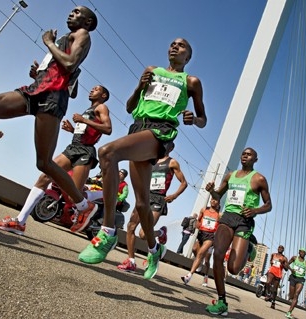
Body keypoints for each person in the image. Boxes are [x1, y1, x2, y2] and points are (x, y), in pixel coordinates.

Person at [0, 6, 100, 226]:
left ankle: (84, 206)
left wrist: (48, 43)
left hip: (51, 98)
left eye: (77, 12)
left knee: (44, 163)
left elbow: (69, 63)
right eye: (71, 11)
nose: (70, 14)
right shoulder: (66, 37)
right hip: (36, 89)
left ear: (88, 22)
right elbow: (58, 67)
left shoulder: (82, 35)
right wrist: (40, 72)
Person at [77, 38, 207, 281]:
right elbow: (129, 107)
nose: (174, 47)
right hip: (138, 129)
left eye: (181, 46)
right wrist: (139, 86)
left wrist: (193, 119)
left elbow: (203, 119)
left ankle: (106, 232)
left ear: (188, 57)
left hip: (160, 132)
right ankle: (155, 249)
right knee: (141, 204)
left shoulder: (190, 82)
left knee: (107, 152)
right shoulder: (151, 71)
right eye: (172, 44)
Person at [0, 85, 112, 235]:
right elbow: (88, 133)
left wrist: (83, 120)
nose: (92, 90)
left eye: (96, 89)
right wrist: (72, 130)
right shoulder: (88, 110)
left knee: (71, 195)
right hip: (73, 147)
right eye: (92, 88)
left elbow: (107, 129)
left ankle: (104, 194)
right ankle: (20, 222)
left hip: (85, 151)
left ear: (104, 96)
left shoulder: (102, 108)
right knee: (44, 175)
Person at [203, 147, 272, 316]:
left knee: (233, 269)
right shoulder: (230, 175)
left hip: (244, 221)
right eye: (243, 153)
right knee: (217, 255)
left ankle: (249, 248)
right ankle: (221, 301)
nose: (245, 156)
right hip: (227, 218)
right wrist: (212, 190)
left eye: (249, 155)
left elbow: (268, 204)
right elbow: (218, 195)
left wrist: (255, 210)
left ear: (255, 160)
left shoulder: (259, 179)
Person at [117, 144, 187, 272]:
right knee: (130, 226)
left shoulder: (172, 162)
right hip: (144, 197)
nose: (162, 145)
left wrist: (174, 195)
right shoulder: (151, 160)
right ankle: (131, 261)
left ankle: (160, 233)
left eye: (167, 145)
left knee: (143, 234)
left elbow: (184, 183)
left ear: (171, 148)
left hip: (158, 199)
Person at [181, 197, 220, 286]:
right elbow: (198, 221)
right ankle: (199, 263)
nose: (213, 200)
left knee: (206, 259)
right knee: (195, 249)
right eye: (212, 199)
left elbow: (221, 228)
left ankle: (192, 276)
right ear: (210, 200)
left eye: (216, 199)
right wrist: (197, 226)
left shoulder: (219, 214)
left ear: (218, 203)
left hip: (210, 237)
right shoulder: (203, 210)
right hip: (202, 234)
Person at [285, 248, 306, 319]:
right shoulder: (294, 258)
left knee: (296, 295)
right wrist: (291, 270)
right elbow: (287, 264)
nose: (302, 253)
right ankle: (293, 302)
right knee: (291, 296)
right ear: (299, 252)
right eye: (301, 252)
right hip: (293, 277)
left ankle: (289, 312)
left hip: (300, 279)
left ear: (305, 254)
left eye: (304, 252)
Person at [264, 245, 288, 309]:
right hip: (271, 271)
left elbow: (286, 269)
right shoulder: (273, 254)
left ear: (283, 250)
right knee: (267, 282)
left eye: (282, 248)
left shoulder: (284, 258)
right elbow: (271, 262)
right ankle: (268, 294)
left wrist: (282, 263)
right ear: (277, 248)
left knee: (275, 289)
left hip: (278, 273)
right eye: (279, 247)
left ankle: (273, 302)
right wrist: (271, 267)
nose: (280, 249)